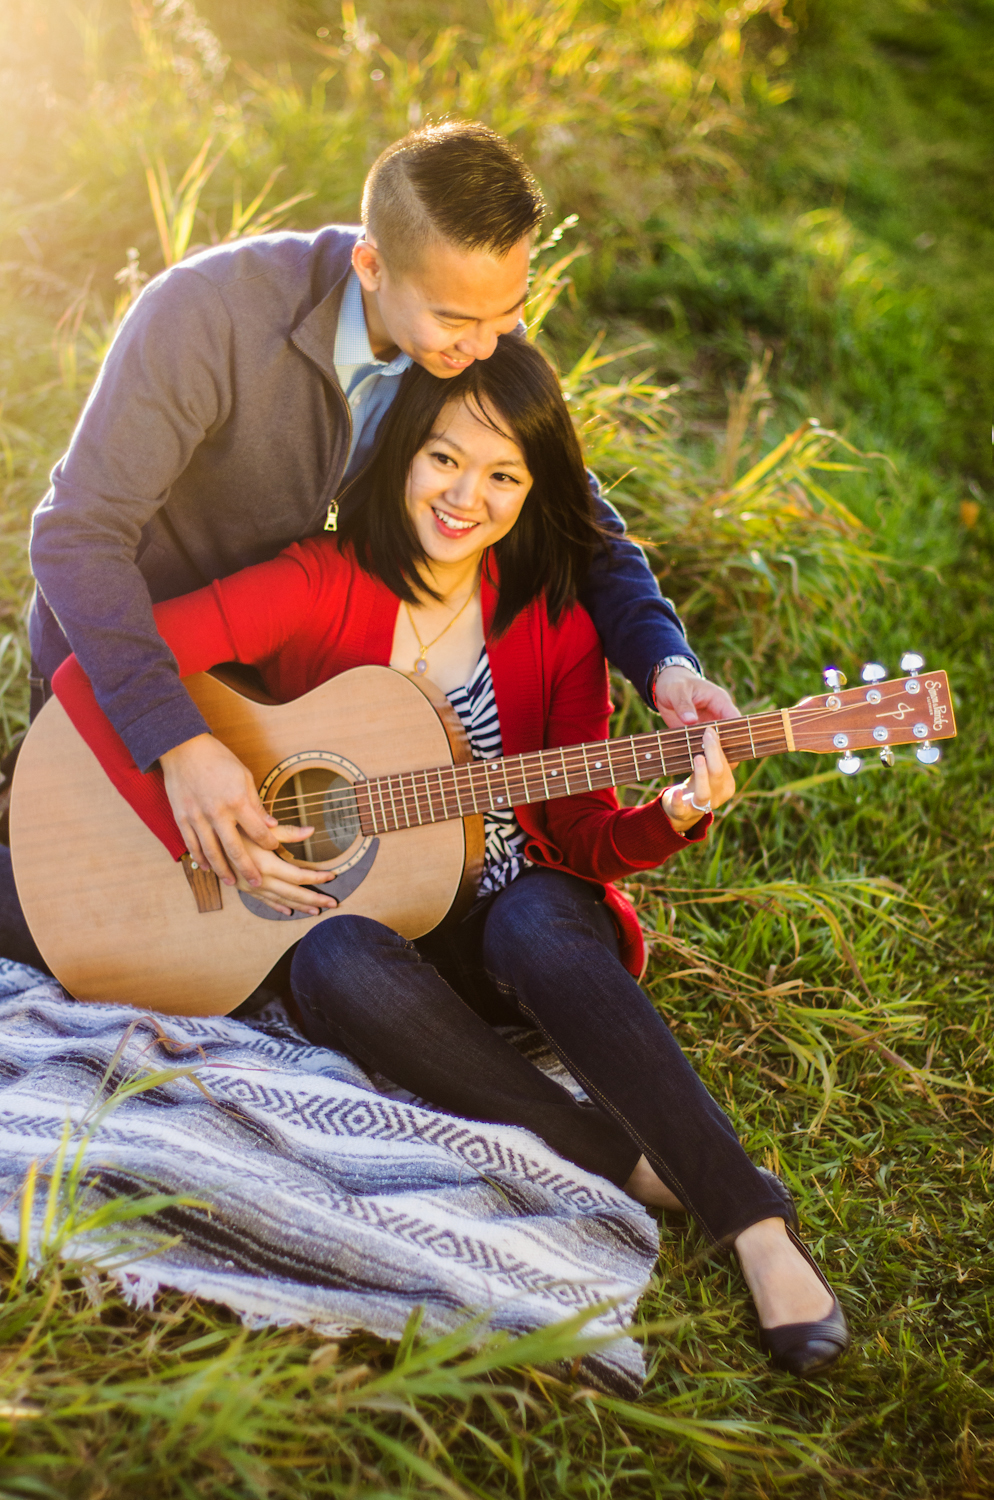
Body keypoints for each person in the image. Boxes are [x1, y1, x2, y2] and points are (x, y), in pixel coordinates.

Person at [43, 335, 849, 1378]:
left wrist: (675, 813)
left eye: (505, 474)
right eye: (445, 459)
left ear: (535, 488)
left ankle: (752, 1223)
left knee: (534, 918)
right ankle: (617, 1159)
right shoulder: (316, 583)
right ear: (400, 456)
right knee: (332, 954)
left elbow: (584, 838)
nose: (468, 495)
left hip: (521, 925)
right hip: (378, 944)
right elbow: (110, 661)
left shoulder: (552, 618)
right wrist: (193, 777)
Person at [22, 120, 736, 900]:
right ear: (370, 263)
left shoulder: (465, 335)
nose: (489, 347)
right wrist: (175, 740)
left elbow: (575, 517)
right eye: (459, 320)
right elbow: (75, 536)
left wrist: (665, 665)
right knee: (89, 905)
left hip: (289, 696)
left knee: (252, 942)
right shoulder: (206, 316)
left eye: (508, 314)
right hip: (131, 662)